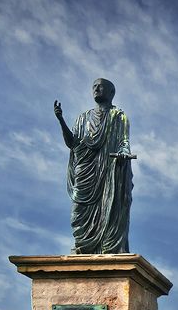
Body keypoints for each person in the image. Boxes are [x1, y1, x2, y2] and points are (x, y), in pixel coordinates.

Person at [54, 78, 135, 254]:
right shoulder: (82, 118)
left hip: (108, 169)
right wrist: (61, 120)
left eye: (101, 87)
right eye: (94, 87)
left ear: (111, 92)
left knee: (110, 208)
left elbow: (124, 141)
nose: (97, 89)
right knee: (78, 211)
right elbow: (72, 143)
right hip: (85, 169)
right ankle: (82, 247)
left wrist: (123, 152)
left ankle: (107, 247)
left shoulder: (118, 116)